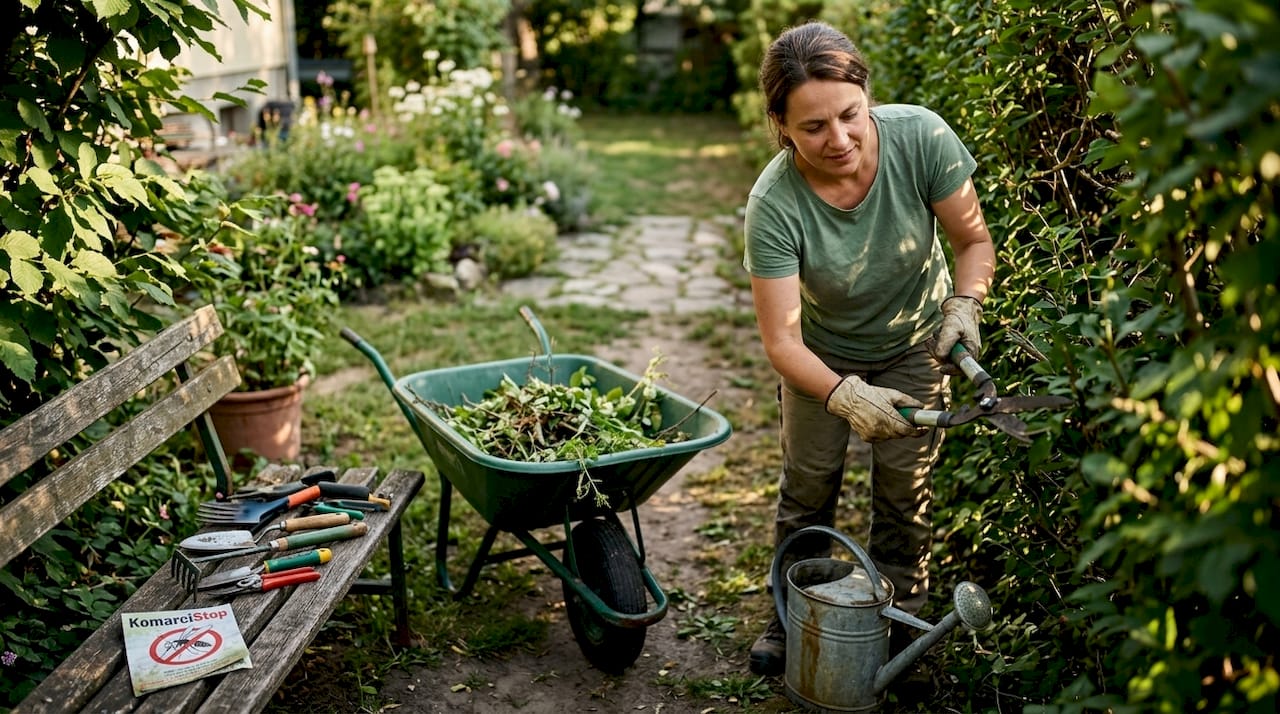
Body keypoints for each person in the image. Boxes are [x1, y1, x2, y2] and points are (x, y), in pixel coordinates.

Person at [742, 20, 995, 677]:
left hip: (915, 341)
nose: (839, 140)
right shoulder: (774, 203)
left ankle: (900, 621)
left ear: (866, 95)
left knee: (904, 494)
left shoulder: (921, 138)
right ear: (781, 126)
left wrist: (964, 304)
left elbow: (973, 242)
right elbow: (780, 339)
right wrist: (841, 393)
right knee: (807, 488)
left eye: (850, 115)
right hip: (819, 357)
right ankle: (787, 616)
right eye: (812, 128)